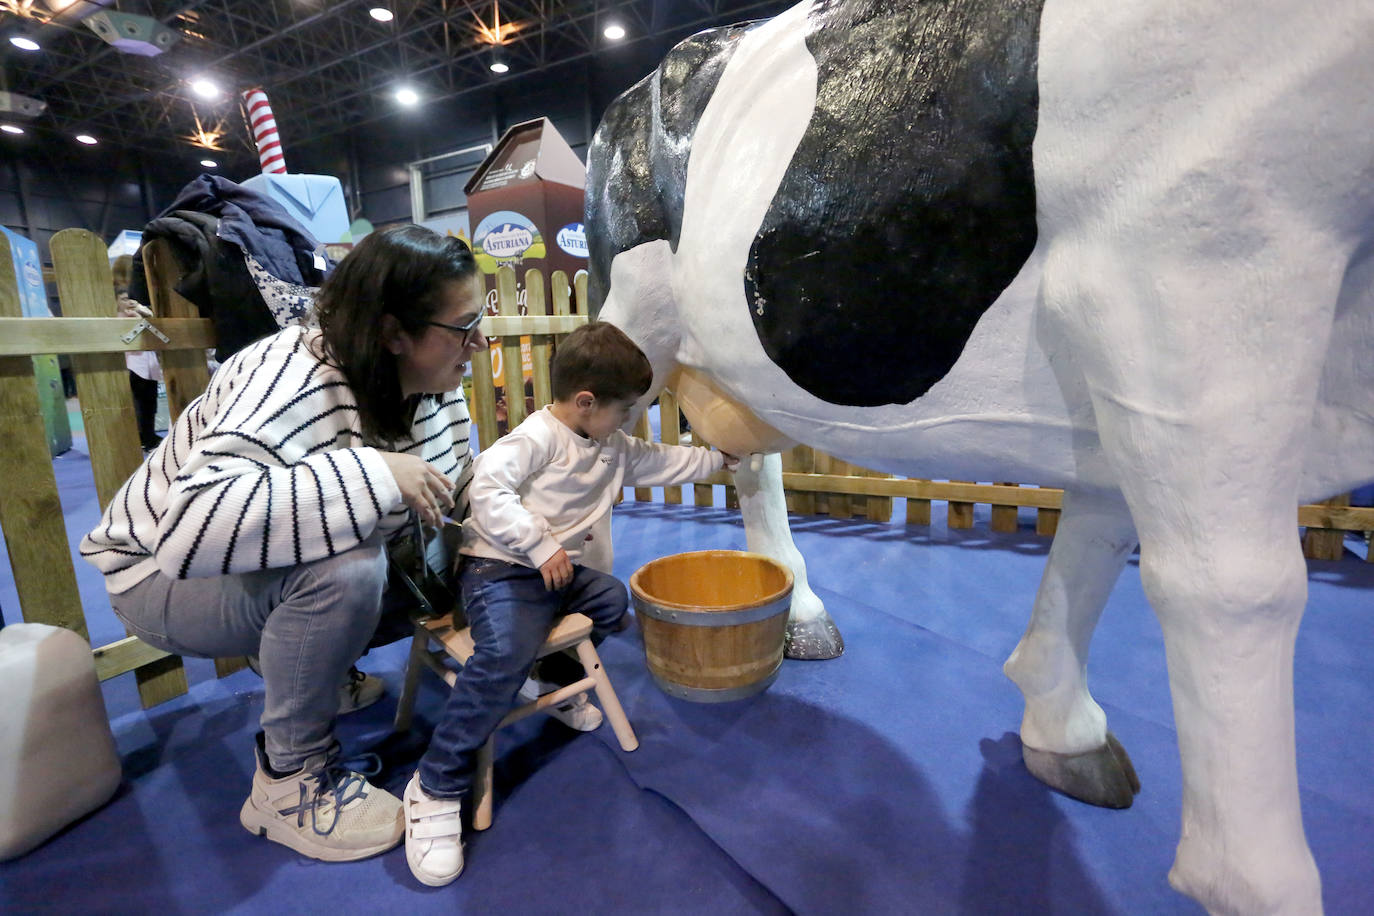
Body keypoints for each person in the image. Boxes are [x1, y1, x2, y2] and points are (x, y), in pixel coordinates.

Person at [79, 225, 486, 863]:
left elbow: (455, 495)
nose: (480, 344)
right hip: (155, 575)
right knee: (347, 569)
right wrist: (376, 473)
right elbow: (187, 531)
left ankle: (306, 665)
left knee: (410, 551)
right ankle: (288, 782)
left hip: (241, 560)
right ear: (392, 333)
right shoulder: (291, 377)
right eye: (465, 328)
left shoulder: (435, 382)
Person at [402, 321, 737, 887]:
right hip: (500, 568)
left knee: (611, 601)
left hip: (559, 572)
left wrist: (716, 460)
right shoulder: (534, 438)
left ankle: (550, 682)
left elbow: (660, 460)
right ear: (586, 401)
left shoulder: (610, 443)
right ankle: (434, 783)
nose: (631, 420)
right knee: (505, 652)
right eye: (626, 409)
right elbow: (486, 490)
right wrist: (537, 541)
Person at [110, 254, 164, 451]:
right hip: (134, 360)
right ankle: (144, 436)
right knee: (141, 400)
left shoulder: (123, 299)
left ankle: (146, 435)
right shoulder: (127, 297)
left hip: (141, 358)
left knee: (146, 399)